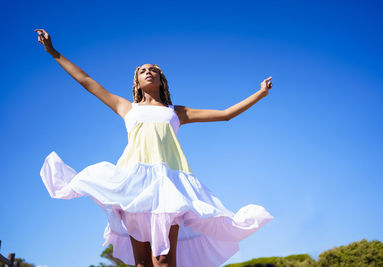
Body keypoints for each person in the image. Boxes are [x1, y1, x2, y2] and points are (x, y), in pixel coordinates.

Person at [35, 28, 274, 267]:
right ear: (137, 82)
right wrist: (53, 52)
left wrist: (260, 94)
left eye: (153, 70)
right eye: (142, 70)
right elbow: (86, 81)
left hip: (167, 187)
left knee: (163, 261)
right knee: (142, 264)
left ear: (161, 80)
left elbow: (225, 114)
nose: (148, 72)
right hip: (134, 186)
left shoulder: (176, 112)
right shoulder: (127, 108)